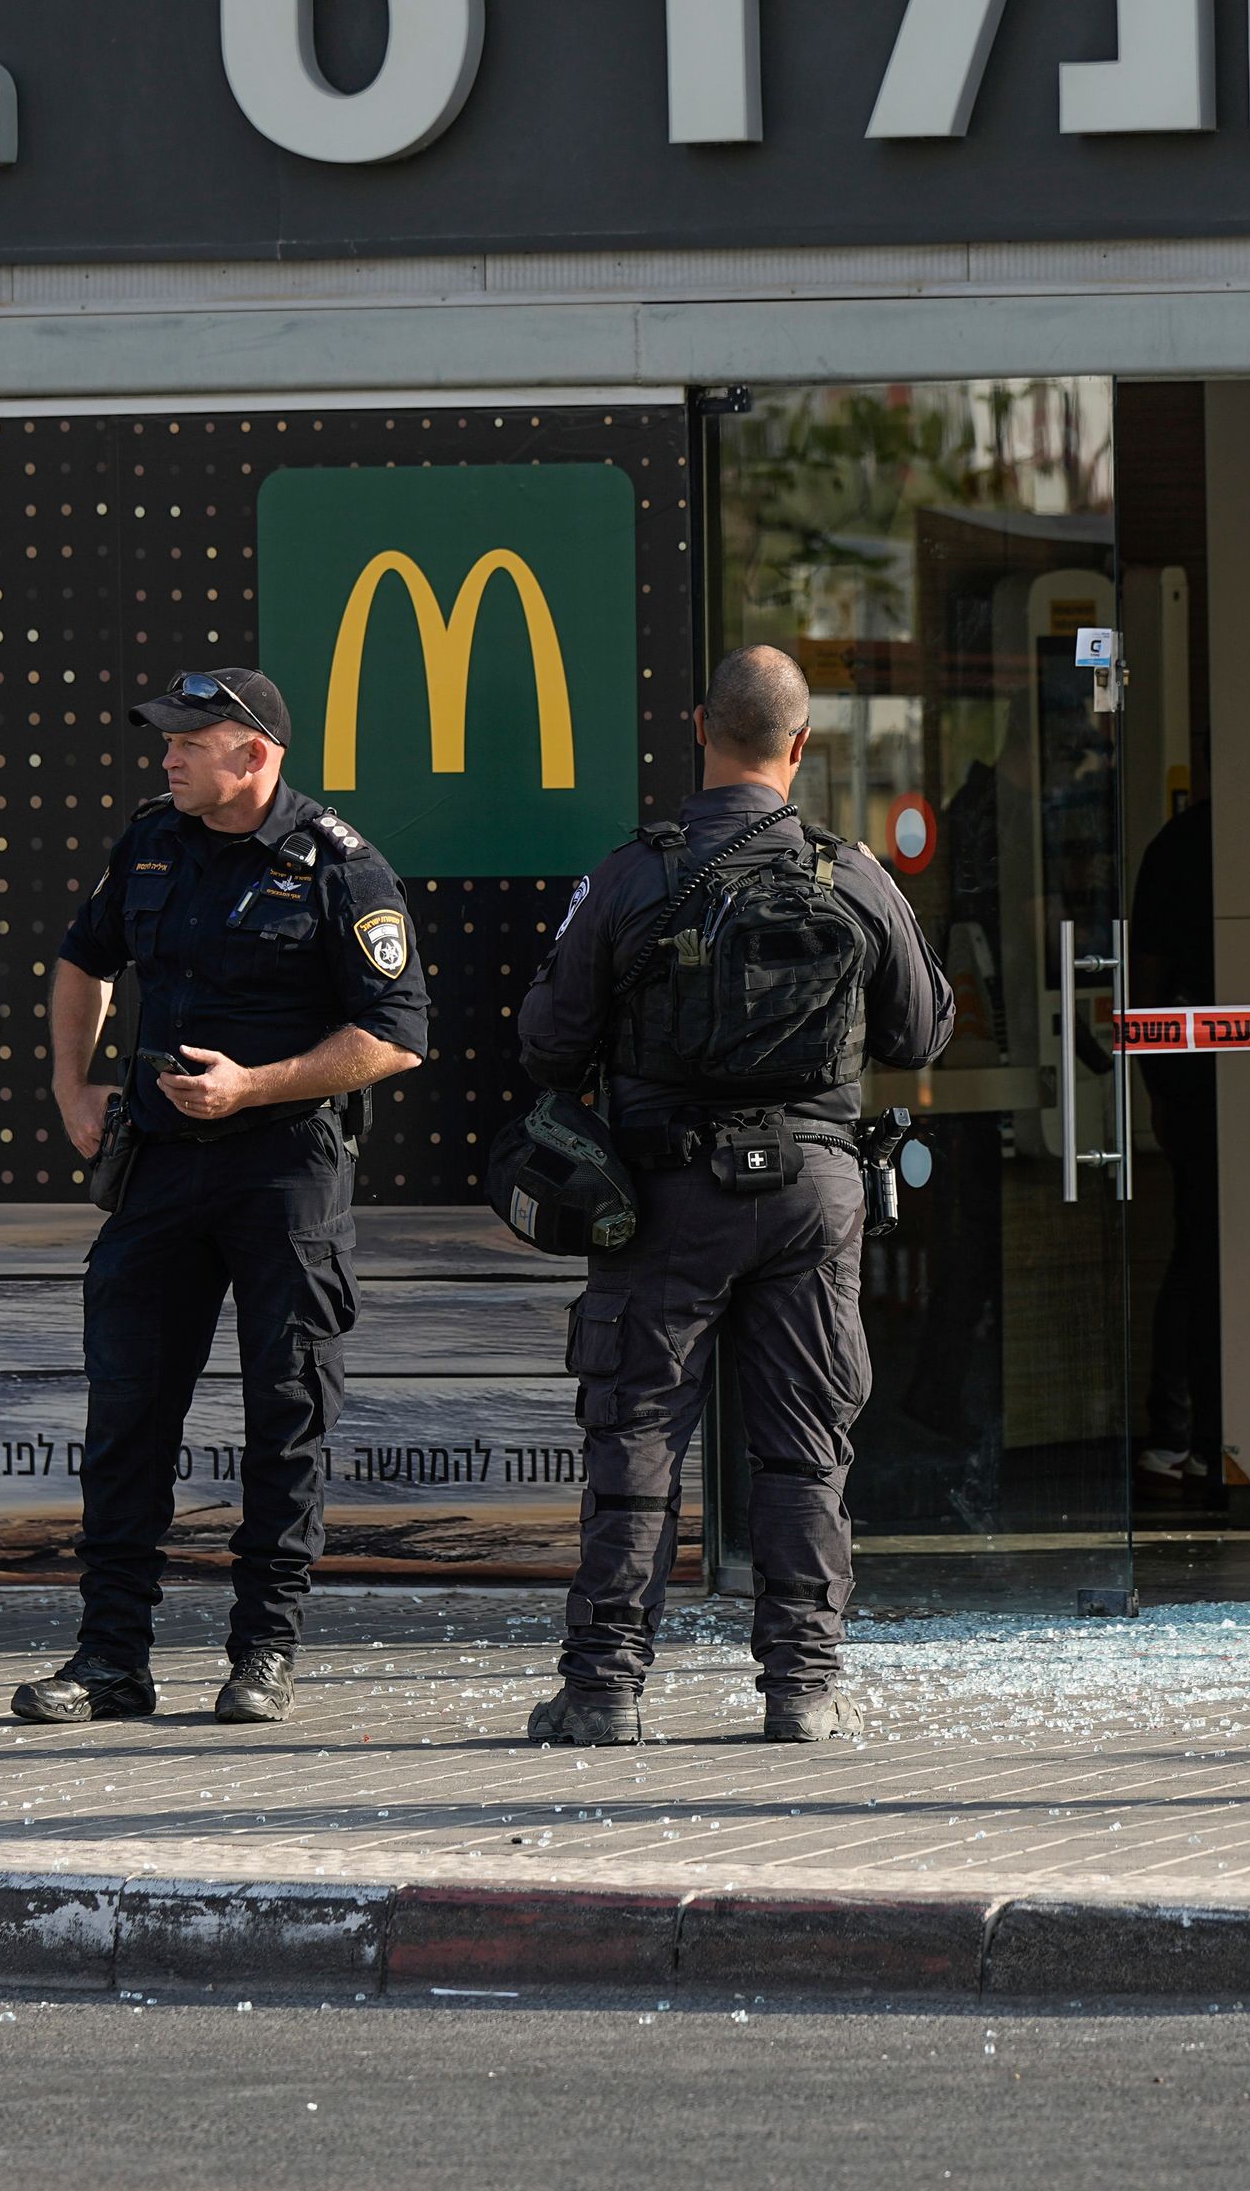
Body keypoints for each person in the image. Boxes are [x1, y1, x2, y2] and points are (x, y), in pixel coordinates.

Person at [512, 647, 955, 1745]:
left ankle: (606, 1689)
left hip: (664, 1194)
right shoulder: (850, 873)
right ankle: (802, 1689)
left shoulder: (627, 875)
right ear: (801, 746)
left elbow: (547, 1039)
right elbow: (922, 1027)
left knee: (639, 1436)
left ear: (696, 722)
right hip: (813, 1191)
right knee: (806, 1444)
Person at [15, 667, 428, 1728]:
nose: (166, 757)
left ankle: (264, 1653)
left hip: (284, 1169)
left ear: (253, 753)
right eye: (165, 741)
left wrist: (255, 1083)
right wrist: (72, 1086)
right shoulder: (150, 840)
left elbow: (394, 1037)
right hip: (160, 1163)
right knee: (127, 1410)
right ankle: (112, 1658)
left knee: (285, 1413)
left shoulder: (342, 866)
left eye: (187, 741)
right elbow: (82, 961)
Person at [1127, 794, 1219, 1490]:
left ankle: (1184, 1430)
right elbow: (1150, 977)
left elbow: (1148, 975)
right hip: (1200, 1078)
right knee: (1203, 1253)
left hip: (1191, 1077)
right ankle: (1186, 1431)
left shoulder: (1180, 841)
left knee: (1200, 1251)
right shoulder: (1192, 843)